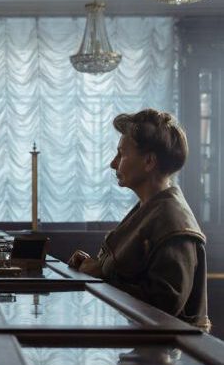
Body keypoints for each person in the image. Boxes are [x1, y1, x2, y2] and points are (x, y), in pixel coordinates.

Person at [68, 109, 210, 331]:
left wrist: (101, 275)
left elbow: (164, 306)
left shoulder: (173, 220)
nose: (113, 164)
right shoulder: (152, 208)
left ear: (149, 161)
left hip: (167, 359)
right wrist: (95, 268)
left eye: (122, 154)